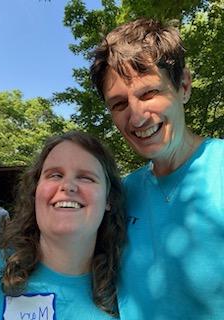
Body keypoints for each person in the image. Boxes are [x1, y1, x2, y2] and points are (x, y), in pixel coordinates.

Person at [91, 18, 224, 320]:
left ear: (184, 86)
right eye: (119, 104)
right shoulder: (119, 195)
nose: (136, 118)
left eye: (148, 94)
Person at [0, 131, 125, 319]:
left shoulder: (130, 293)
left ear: (109, 199)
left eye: (86, 177)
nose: (68, 186)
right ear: (35, 192)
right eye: (55, 175)